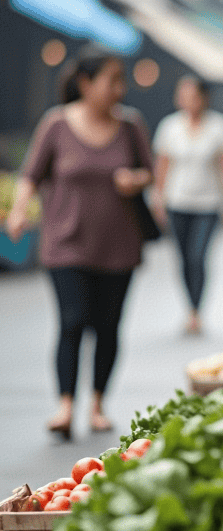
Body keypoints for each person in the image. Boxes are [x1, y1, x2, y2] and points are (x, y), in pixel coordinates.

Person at [4, 49, 154, 439]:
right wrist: (19, 211)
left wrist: (134, 180)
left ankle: (98, 403)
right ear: (86, 84)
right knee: (72, 321)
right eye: (112, 80)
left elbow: (150, 173)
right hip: (66, 243)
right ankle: (66, 405)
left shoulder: (130, 125)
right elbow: (31, 174)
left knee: (108, 325)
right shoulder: (56, 124)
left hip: (119, 245)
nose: (119, 89)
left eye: (122, 81)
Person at [151, 75, 223, 335]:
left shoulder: (220, 127)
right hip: (177, 202)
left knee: (197, 256)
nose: (186, 100)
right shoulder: (170, 127)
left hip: (208, 204)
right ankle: (189, 306)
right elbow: (163, 166)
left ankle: (196, 310)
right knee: (182, 259)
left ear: (203, 98)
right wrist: (158, 199)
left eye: (191, 95)